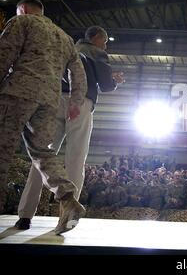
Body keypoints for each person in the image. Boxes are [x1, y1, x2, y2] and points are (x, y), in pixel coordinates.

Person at [15, 26, 124, 230]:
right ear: (96, 38)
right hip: (80, 102)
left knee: (43, 158)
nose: (106, 44)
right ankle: (67, 218)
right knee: (75, 159)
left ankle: (25, 215)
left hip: (54, 100)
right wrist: (115, 80)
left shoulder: (67, 47)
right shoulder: (96, 52)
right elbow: (106, 85)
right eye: (105, 40)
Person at [0, 0, 87, 235]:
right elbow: (78, 73)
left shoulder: (22, 22)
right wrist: (76, 102)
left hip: (18, 92)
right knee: (42, 151)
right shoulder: (64, 36)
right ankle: (68, 199)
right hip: (50, 101)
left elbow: (4, 54)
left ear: (24, 9)